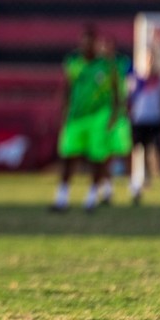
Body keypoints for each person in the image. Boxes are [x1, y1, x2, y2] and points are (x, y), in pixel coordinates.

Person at [50, 25, 119, 213]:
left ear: (96, 44)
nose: (87, 45)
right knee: (68, 156)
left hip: (98, 117)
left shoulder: (106, 65)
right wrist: (63, 112)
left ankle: (91, 197)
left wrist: (114, 115)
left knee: (97, 158)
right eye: (84, 41)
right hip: (76, 117)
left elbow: (115, 90)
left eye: (91, 42)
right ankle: (62, 198)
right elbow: (66, 88)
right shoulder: (73, 62)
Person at [128, 53, 160, 204]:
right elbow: (129, 97)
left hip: (156, 120)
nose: (150, 63)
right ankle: (145, 179)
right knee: (141, 149)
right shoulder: (136, 79)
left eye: (152, 60)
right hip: (139, 120)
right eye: (147, 60)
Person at [96, 35, 132, 206]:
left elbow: (133, 81)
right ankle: (107, 190)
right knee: (105, 154)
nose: (106, 49)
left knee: (125, 151)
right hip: (102, 116)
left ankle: (134, 188)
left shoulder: (123, 63)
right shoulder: (97, 67)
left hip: (120, 115)